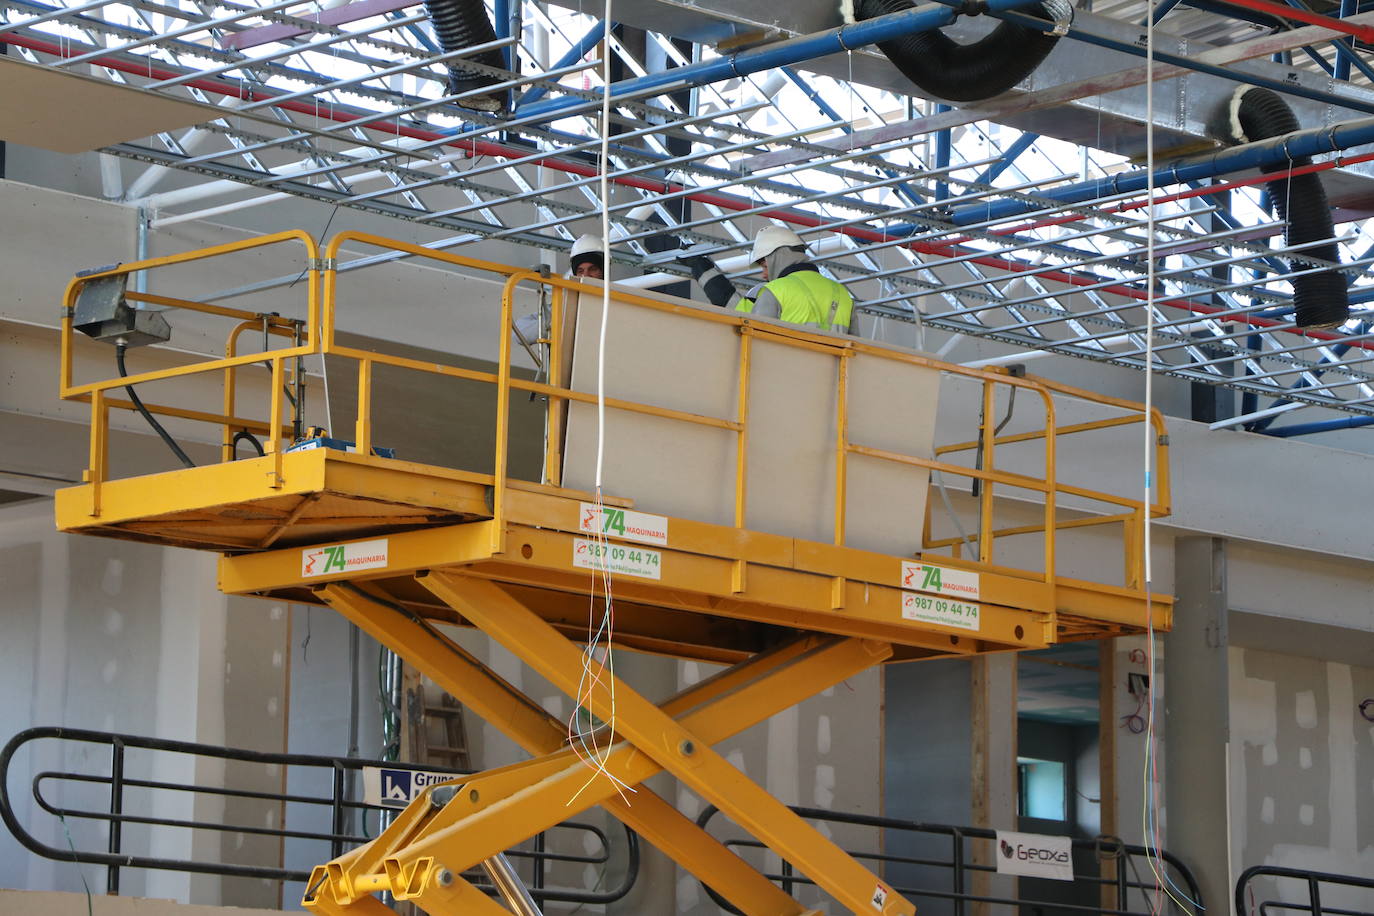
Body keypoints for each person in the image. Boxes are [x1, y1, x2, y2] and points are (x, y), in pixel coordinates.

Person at [680, 225, 855, 335]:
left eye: (765, 266)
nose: (764, 275)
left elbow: (754, 334)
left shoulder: (777, 290)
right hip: (833, 385)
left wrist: (699, 265)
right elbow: (860, 349)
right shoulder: (843, 294)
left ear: (776, 258)